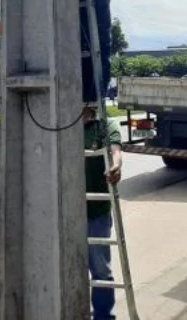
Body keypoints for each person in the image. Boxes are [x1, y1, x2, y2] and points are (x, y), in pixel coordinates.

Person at [83, 109, 124, 320]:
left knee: (100, 268)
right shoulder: (62, 123)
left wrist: (116, 165)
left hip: (96, 210)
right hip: (66, 210)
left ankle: (103, 316)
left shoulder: (105, 125)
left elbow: (115, 151)